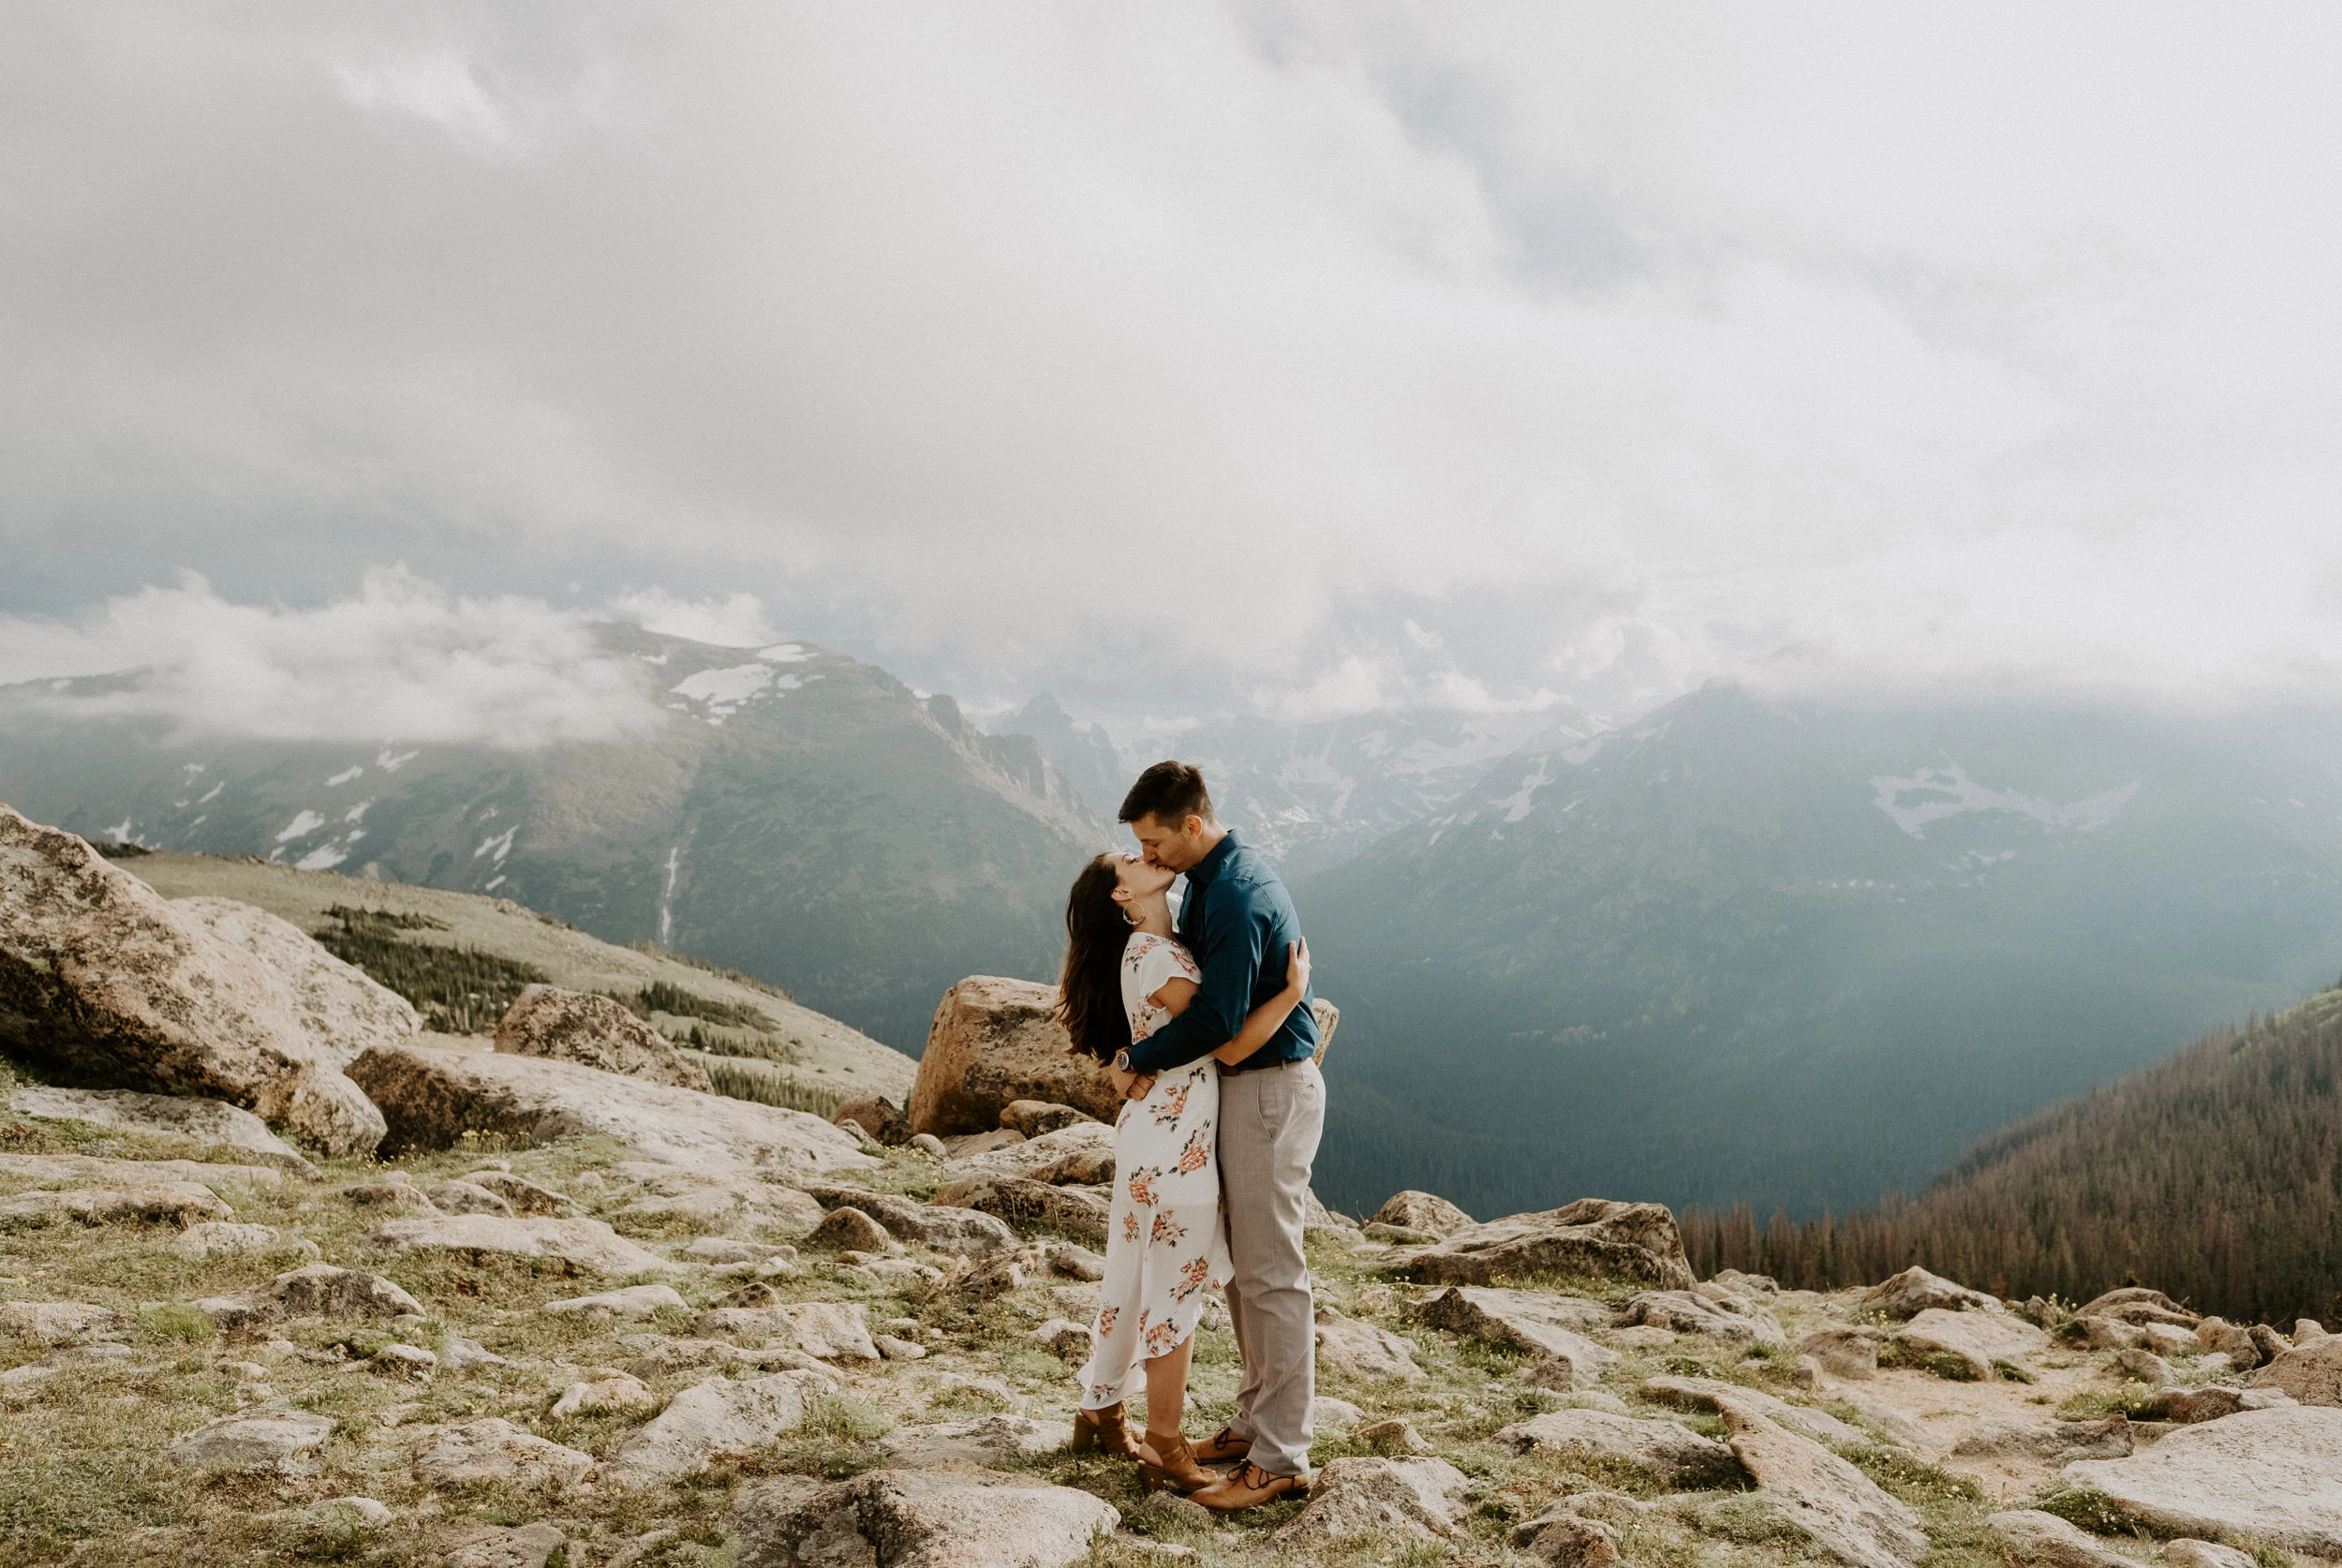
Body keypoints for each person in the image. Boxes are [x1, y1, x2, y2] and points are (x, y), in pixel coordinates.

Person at [1056, 848, 1312, 1494]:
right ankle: (1165, 1439)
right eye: (1129, 860)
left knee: (1131, 1278)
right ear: (1122, 896)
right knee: (1175, 1290)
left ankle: (1101, 1404)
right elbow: (1226, 1038)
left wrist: (1130, 1056)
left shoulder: (1149, 949)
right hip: (1177, 1147)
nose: (1146, 856)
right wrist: (1291, 994)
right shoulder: (1159, 956)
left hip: (1156, 1136)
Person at [1117, 761, 1323, 1512]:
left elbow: (1218, 1028)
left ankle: (1282, 1458)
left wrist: (1134, 1061)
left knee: (1272, 1275)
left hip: (1266, 1089)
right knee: (1243, 1270)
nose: (1149, 856)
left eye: (1154, 840)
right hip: (1247, 1088)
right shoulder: (1210, 878)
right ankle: (1251, 1425)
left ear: (1192, 825)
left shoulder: (1233, 896)